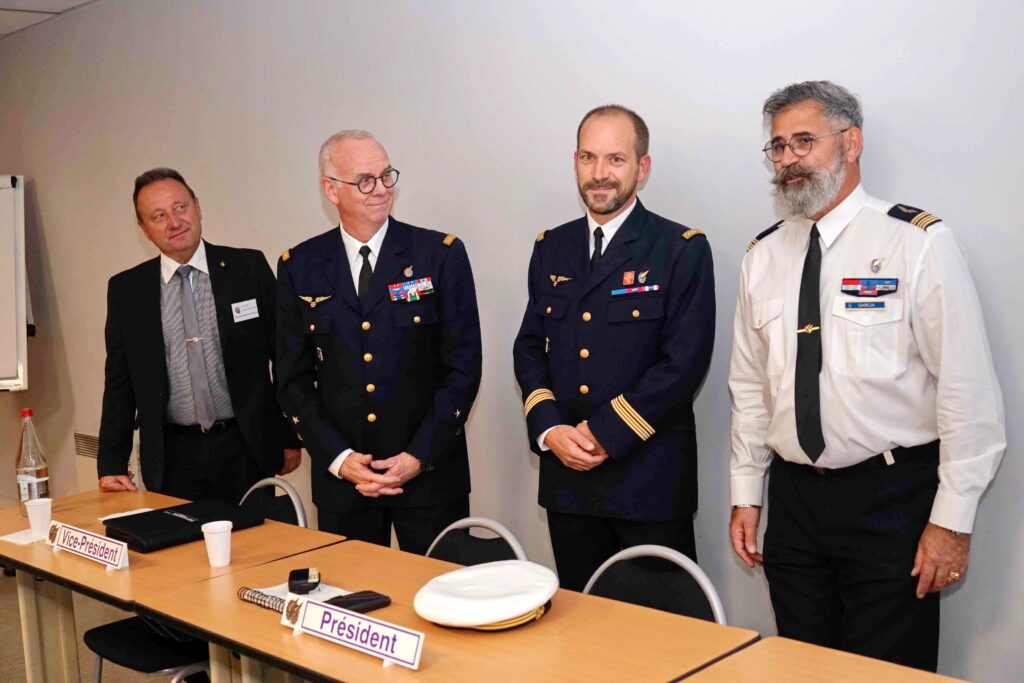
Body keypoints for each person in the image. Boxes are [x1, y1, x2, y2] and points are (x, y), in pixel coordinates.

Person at [728, 81, 1006, 671]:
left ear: (850, 143)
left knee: (888, 670)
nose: (788, 159)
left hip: (891, 500)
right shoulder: (762, 256)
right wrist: (747, 493)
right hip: (796, 501)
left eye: (804, 141)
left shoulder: (916, 243)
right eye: (777, 148)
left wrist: (951, 522)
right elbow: (750, 390)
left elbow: (967, 393)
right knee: (803, 666)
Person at [513, 105, 715, 591]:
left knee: (661, 638)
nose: (600, 173)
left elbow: (683, 362)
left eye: (616, 159)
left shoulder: (679, 248)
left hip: (648, 481)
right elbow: (529, 348)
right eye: (588, 157)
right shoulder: (551, 247)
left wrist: (605, 433)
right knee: (583, 633)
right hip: (569, 481)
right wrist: (549, 429)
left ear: (642, 168)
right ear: (575, 162)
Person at [276, 130, 482, 554]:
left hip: (430, 476)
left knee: (441, 604)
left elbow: (462, 367)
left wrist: (417, 457)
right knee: (350, 600)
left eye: (387, 176)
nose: (381, 190)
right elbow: (293, 381)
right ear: (330, 190)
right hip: (344, 483)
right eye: (365, 180)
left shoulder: (438, 254)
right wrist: (338, 459)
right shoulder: (300, 266)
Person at [98, 168, 300, 503]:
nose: (174, 222)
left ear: (198, 207)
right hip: (173, 456)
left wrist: (289, 435)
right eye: (158, 216)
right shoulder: (127, 290)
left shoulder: (247, 268)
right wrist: (111, 462)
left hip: (247, 446)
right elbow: (119, 380)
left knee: (262, 548)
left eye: (180, 208)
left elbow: (285, 358)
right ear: (143, 229)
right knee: (180, 551)